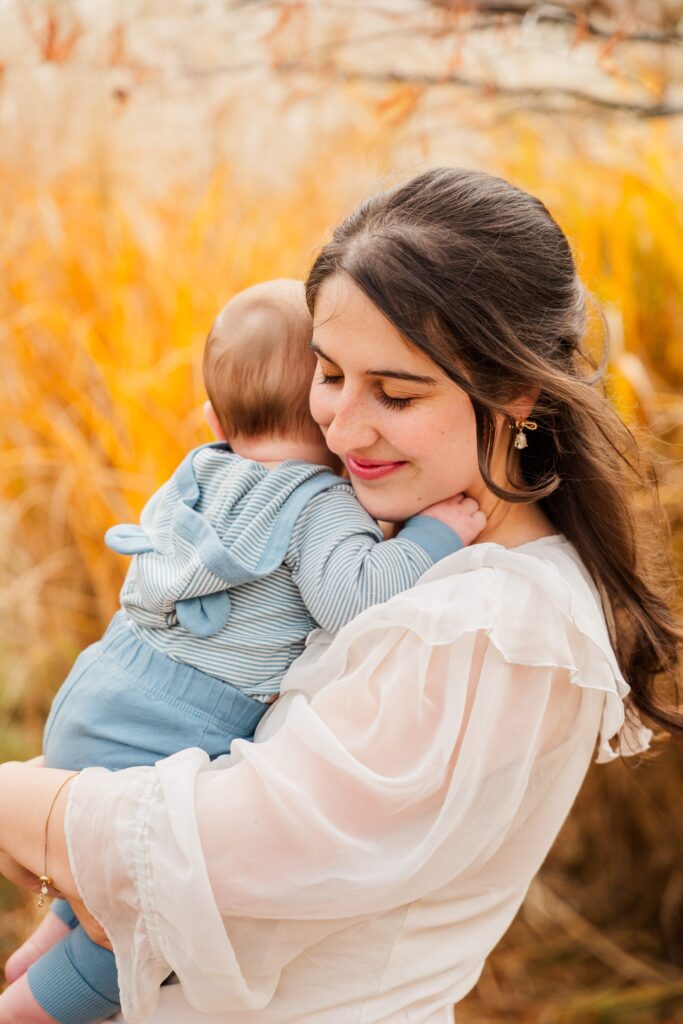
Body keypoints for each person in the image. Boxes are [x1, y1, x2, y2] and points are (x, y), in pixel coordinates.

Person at [1, 166, 681, 1024]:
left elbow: (224, 850)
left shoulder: (491, 628)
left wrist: (23, 803)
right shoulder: (406, 558)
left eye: (395, 393)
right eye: (326, 375)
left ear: (519, 393)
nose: (341, 427)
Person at [0, 279, 484, 1024]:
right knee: (143, 920)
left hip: (100, 688)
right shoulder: (317, 502)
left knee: (99, 879)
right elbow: (353, 595)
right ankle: (31, 1008)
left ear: (214, 416)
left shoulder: (199, 468)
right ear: (326, 419)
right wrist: (432, 536)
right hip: (171, 722)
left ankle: (41, 945)